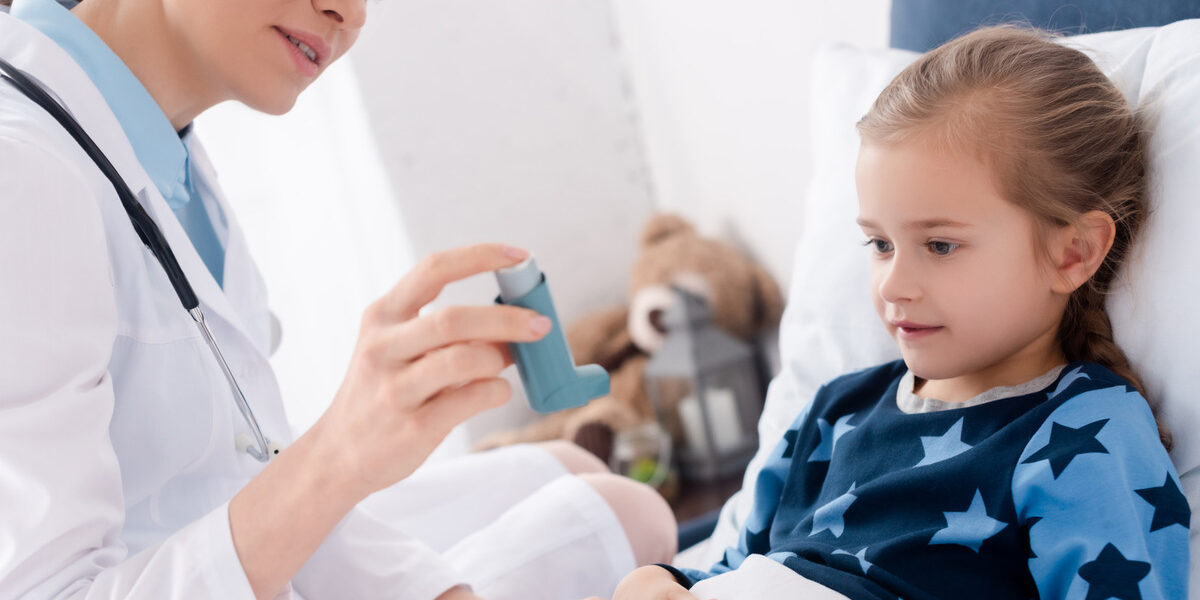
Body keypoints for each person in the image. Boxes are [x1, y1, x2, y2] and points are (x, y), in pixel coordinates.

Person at [0, 0, 677, 598]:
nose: (349, 13)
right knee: (622, 513)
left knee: (578, 471)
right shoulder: (23, 174)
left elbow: (241, 465)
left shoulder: (161, 146)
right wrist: (337, 458)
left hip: (227, 546)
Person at [606, 25, 1190, 600]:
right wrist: (667, 582)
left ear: (1074, 252)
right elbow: (741, 564)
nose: (894, 284)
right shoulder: (837, 410)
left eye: (939, 245)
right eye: (880, 245)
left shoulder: (1080, 432)